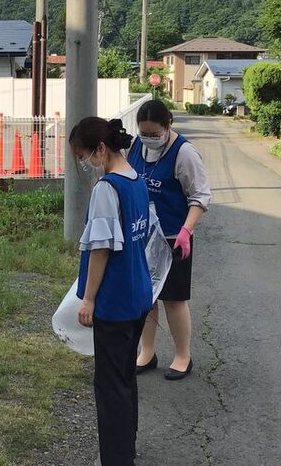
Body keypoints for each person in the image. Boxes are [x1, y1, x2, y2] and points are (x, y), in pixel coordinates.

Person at [71, 116, 154, 466]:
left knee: (110, 387)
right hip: (138, 296)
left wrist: (88, 298)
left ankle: (117, 459)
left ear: (101, 149)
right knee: (124, 380)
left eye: (85, 155)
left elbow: (101, 249)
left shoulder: (107, 188)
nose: (85, 163)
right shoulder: (136, 179)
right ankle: (125, 449)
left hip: (115, 300)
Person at [127, 99, 212, 381]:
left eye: (154, 134)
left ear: (168, 126)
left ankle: (182, 356)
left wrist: (186, 231)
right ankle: (147, 352)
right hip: (142, 235)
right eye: (144, 133)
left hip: (174, 237)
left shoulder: (184, 153)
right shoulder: (136, 148)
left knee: (173, 299)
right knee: (146, 297)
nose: (148, 138)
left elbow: (199, 197)